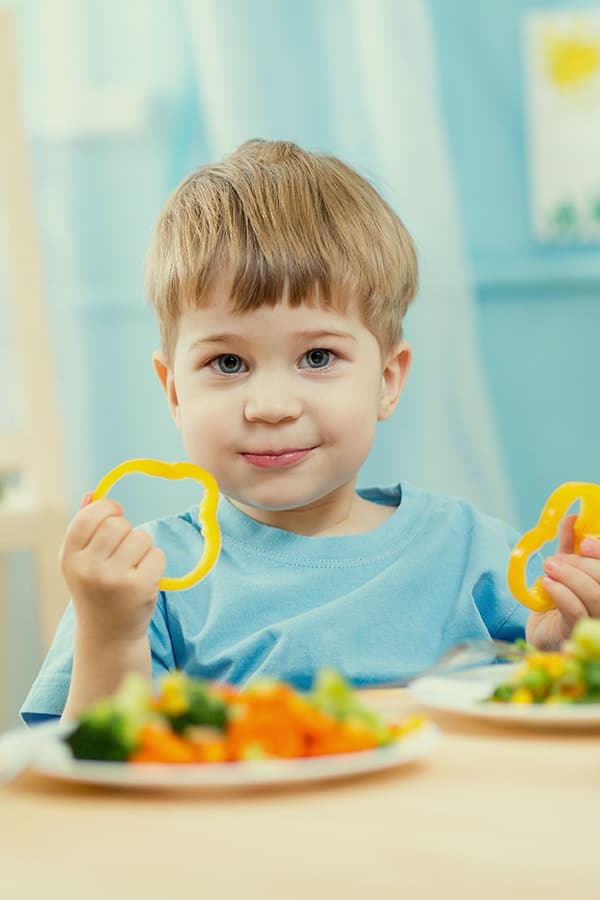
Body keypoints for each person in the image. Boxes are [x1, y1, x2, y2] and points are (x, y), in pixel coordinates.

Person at [21, 139, 600, 724]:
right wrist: (111, 636)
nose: (270, 407)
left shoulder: (477, 556)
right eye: (228, 364)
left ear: (388, 381)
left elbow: (545, 739)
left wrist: (567, 654)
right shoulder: (145, 584)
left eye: (318, 357)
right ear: (173, 391)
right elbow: (91, 778)